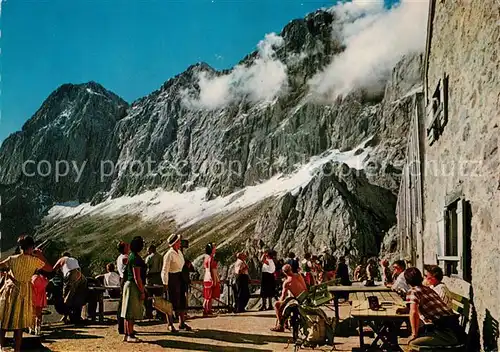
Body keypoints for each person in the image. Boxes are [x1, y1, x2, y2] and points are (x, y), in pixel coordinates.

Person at [0, 235, 53, 352]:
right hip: (25, 293)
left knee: (4, 320)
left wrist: (7, 275)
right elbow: (50, 269)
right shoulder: (35, 261)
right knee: (19, 324)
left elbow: (1, 265)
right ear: (31, 247)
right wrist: (40, 255)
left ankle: (1, 347)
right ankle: (17, 350)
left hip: (11, 290)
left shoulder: (12, 259)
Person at [401, 267, 463, 350]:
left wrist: (413, 334)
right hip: (454, 328)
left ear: (407, 281)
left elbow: (414, 313)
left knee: (412, 344)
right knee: (420, 334)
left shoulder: (412, 291)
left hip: (447, 334)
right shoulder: (428, 289)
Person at [161, 234, 191, 331]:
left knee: (182, 299)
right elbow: (165, 270)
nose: (179, 243)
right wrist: (165, 283)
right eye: (178, 241)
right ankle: (170, 324)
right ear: (174, 243)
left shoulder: (179, 253)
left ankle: (181, 322)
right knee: (171, 302)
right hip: (172, 278)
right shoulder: (169, 255)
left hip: (180, 277)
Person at [121, 236, 146, 343]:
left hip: (128, 284)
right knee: (130, 311)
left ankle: (127, 333)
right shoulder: (136, 258)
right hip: (133, 286)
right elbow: (137, 277)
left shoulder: (131, 256)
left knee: (127, 311)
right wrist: (142, 291)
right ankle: (130, 334)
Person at [271, 264, 308, 332]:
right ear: (291, 269)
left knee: (277, 304)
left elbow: (283, 297)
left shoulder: (287, 282)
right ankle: (285, 324)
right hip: (304, 298)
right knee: (287, 301)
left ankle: (281, 325)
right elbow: (304, 288)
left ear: (284, 272)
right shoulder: (299, 276)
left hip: (297, 301)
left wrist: (281, 300)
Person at [53, 252, 87, 324]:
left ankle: (65, 316)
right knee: (77, 296)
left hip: (72, 275)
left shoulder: (62, 259)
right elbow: (78, 270)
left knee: (66, 296)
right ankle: (77, 316)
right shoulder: (74, 259)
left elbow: (53, 269)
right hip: (81, 276)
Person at [144, 245, 164, 320]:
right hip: (159, 277)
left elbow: (147, 267)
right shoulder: (161, 257)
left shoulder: (149, 258)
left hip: (151, 277)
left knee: (149, 296)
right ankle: (160, 313)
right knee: (158, 296)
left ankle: (149, 313)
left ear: (151, 250)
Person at [203, 243, 220, 316]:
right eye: (214, 248)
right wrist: (212, 278)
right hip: (210, 277)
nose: (215, 249)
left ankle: (208, 309)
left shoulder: (206, 257)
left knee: (208, 295)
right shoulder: (210, 258)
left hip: (207, 276)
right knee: (209, 295)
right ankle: (207, 310)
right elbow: (210, 268)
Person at [116, 241, 129, 335]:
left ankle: (122, 327)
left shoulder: (119, 257)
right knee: (125, 304)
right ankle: (124, 327)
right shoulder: (125, 258)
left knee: (122, 304)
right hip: (125, 279)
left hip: (121, 279)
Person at [31, 269, 49, 336]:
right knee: (39, 315)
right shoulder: (43, 279)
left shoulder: (32, 278)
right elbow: (46, 283)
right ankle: (38, 330)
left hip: (33, 298)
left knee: (32, 314)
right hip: (40, 299)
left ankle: (31, 329)